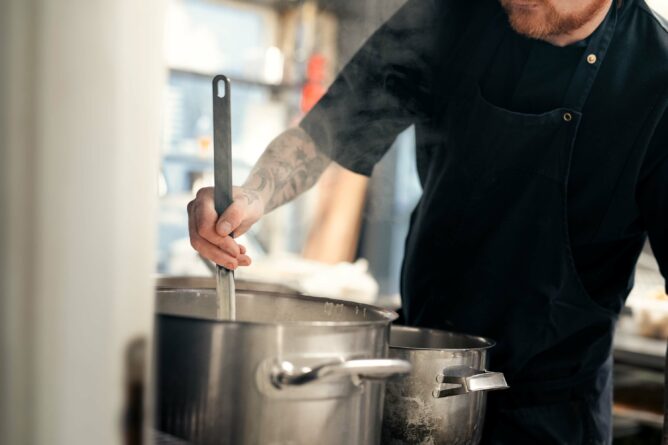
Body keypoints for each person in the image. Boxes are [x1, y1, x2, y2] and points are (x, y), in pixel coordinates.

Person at [188, 0, 668, 442]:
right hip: (420, 386)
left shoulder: (657, 77)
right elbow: (327, 132)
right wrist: (250, 196)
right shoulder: (451, 15)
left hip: (552, 416)